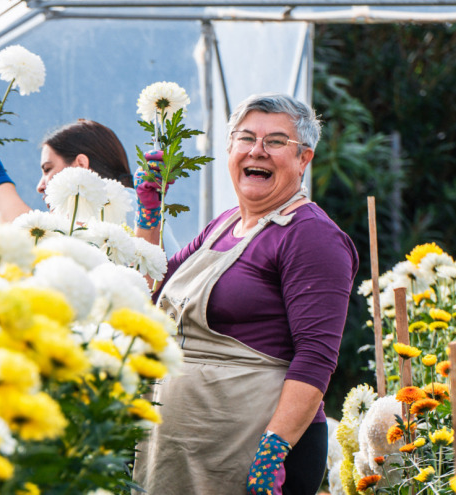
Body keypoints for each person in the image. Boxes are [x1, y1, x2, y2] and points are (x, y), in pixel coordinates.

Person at [132, 93, 359, 495]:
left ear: (304, 159)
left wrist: (272, 453)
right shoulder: (223, 224)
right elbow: (152, 290)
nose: (258, 150)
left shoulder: (311, 236)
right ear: (230, 149)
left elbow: (316, 356)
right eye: (246, 138)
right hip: (186, 448)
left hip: (251, 450)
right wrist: (149, 214)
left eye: (275, 142)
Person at [0, 118, 180, 254]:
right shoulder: (121, 206)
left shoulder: (121, 202)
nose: (40, 186)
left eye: (47, 169)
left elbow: (41, 243)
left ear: (81, 165)